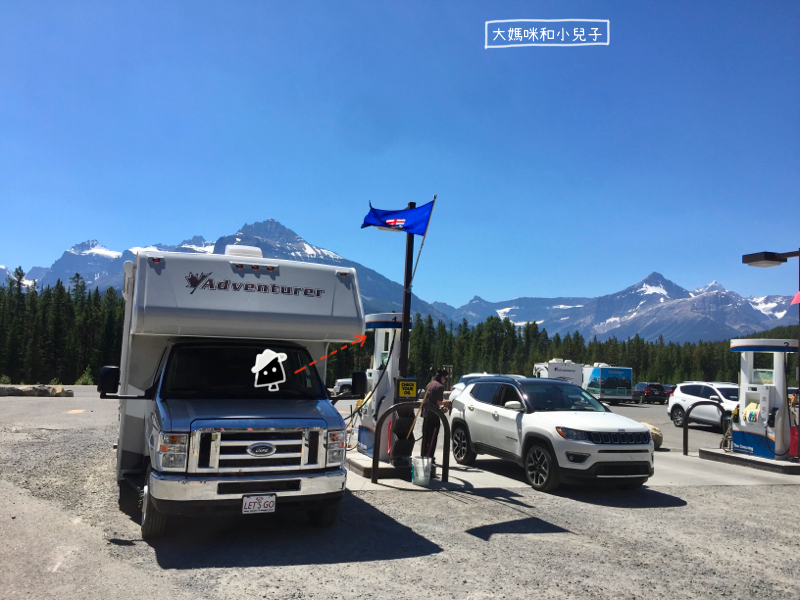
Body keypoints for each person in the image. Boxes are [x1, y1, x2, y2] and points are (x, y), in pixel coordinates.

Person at [421, 369, 448, 459]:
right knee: (433, 438)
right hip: (434, 416)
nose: (445, 380)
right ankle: (430, 457)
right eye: (445, 378)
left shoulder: (429, 384)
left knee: (425, 438)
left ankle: (424, 455)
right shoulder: (439, 387)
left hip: (426, 414)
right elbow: (438, 403)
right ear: (442, 377)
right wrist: (445, 404)